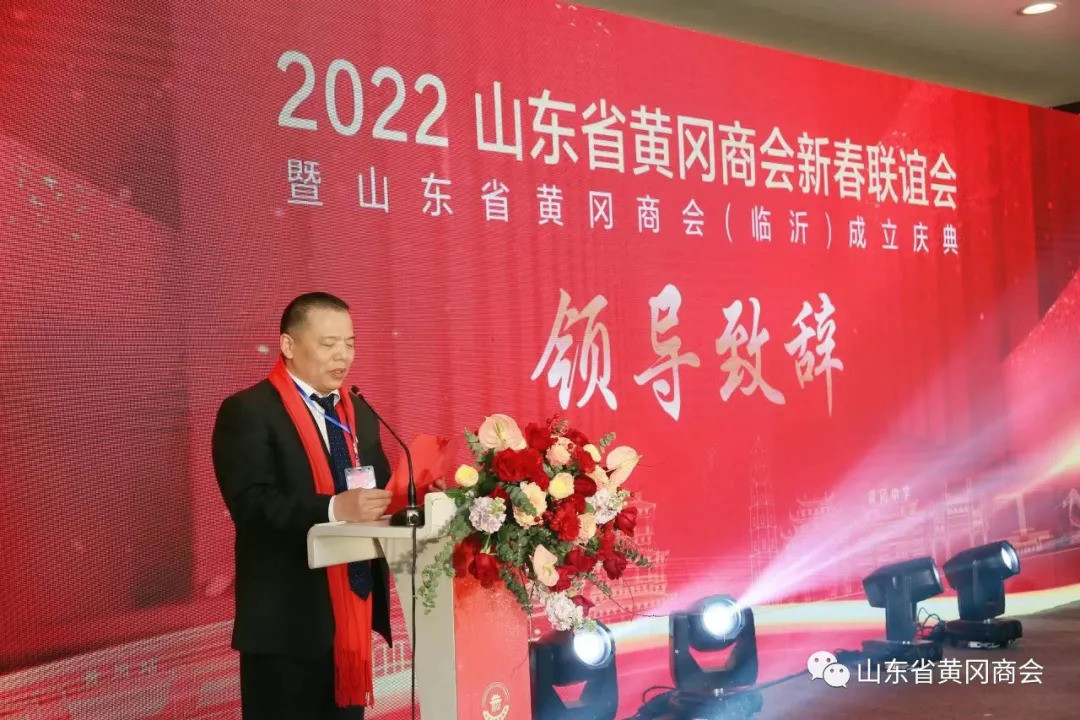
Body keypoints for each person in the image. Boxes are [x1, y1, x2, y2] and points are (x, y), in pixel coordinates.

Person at [212, 292, 405, 719]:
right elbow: (252, 505)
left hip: (350, 620)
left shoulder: (359, 413)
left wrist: (415, 495)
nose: (343, 355)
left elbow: (380, 491)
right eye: (329, 343)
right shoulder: (249, 411)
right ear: (288, 345)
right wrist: (335, 509)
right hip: (286, 627)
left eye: (350, 343)